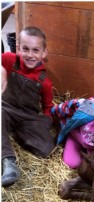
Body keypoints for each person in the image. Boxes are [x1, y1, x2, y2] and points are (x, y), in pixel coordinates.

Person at [1, 26, 55, 187]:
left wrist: (45, 125)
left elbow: (47, 108)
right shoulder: (9, 60)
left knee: (46, 150)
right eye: (25, 49)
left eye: (35, 50)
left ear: (44, 53)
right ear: (18, 48)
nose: (30, 55)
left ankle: (15, 132)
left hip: (28, 117)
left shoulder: (45, 81)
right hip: (6, 108)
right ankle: (8, 161)